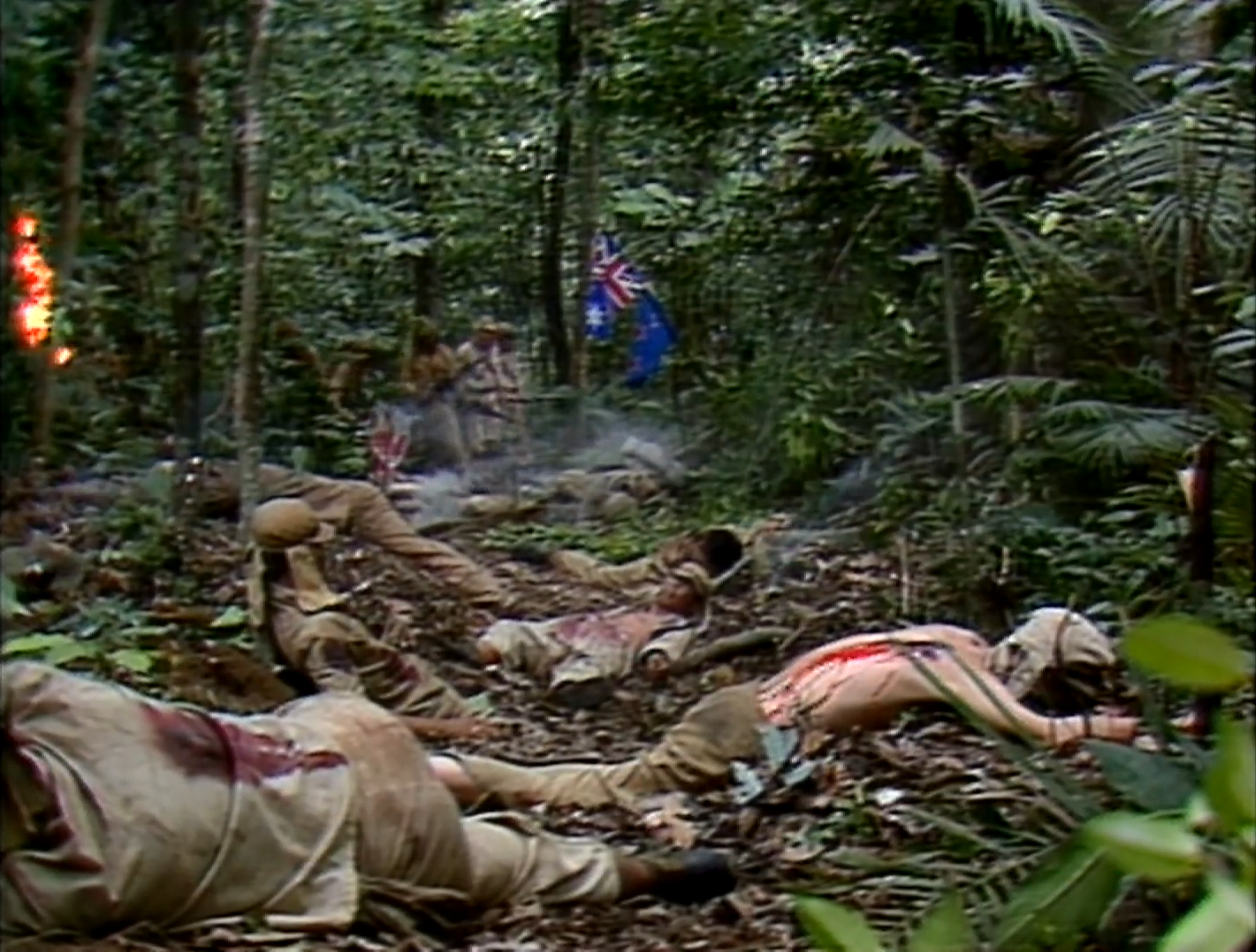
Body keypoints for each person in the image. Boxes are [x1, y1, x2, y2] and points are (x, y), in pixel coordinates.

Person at [0, 661, 737, 938]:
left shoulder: (54, 888)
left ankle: (642, 871)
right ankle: (652, 867)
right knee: (493, 832)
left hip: (378, 838)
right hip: (336, 736)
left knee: (515, 862)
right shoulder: (51, 705)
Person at [433, 608, 1158, 810]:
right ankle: (442, 774)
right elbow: (1043, 732)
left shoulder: (943, 637)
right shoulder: (951, 670)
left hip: (743, 704)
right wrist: (1146, 736)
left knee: (610, 776)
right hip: (751, 730)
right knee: (596, 786)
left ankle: (450, 771)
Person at [247, 498, 489, 739]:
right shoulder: (320, 630)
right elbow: (357, 717)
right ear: (304, 556)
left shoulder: (275, 602)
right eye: (318, 546)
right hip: (429, 714)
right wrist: (452, 728)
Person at [180, 458, 506, 610]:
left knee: (412, 548)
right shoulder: (227, 473)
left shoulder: (230, 478)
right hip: (330, 511)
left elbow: (211, 502)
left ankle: (487, 591)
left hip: (356, 503)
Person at [475, 562, 715, 710]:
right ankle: (480, 657)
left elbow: (666, 646)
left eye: (683, 587)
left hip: (607, 649)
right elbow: (608, 579)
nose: (672, 590)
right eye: (672, 582)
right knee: (512, 631)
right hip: (568, 633)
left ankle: (571, 690)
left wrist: (656, 657)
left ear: (694, 600)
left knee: (586, 671)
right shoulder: (634, 605)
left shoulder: (678, 626)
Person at [547, 520, 774, 597]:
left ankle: (553, 555)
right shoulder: (721, 546)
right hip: (645, 567)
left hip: (641, 573)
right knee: (600, 572)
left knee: (600, 575)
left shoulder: (692, 577)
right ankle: (554, 555)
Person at [400, 319, 470, 471]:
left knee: (449, 436)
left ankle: (458, 467)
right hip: (419, 402)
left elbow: (454, 374)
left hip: (442, 399)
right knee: (419, 439)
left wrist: (446, 380)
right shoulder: (412, 356)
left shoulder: (444, 352)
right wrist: (415, 391)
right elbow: (405, 380)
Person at [453, 320, 526, 457]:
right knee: (475, 442)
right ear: (478, 332)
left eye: (493, 333)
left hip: (492, 397)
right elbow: (457, 375)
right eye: (486, 332)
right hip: (473, 398)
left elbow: (498, 372)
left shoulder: (494, 350)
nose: (490, 336)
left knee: (494, 436)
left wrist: (504, 392)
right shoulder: (465, 350)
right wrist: (463, 395)